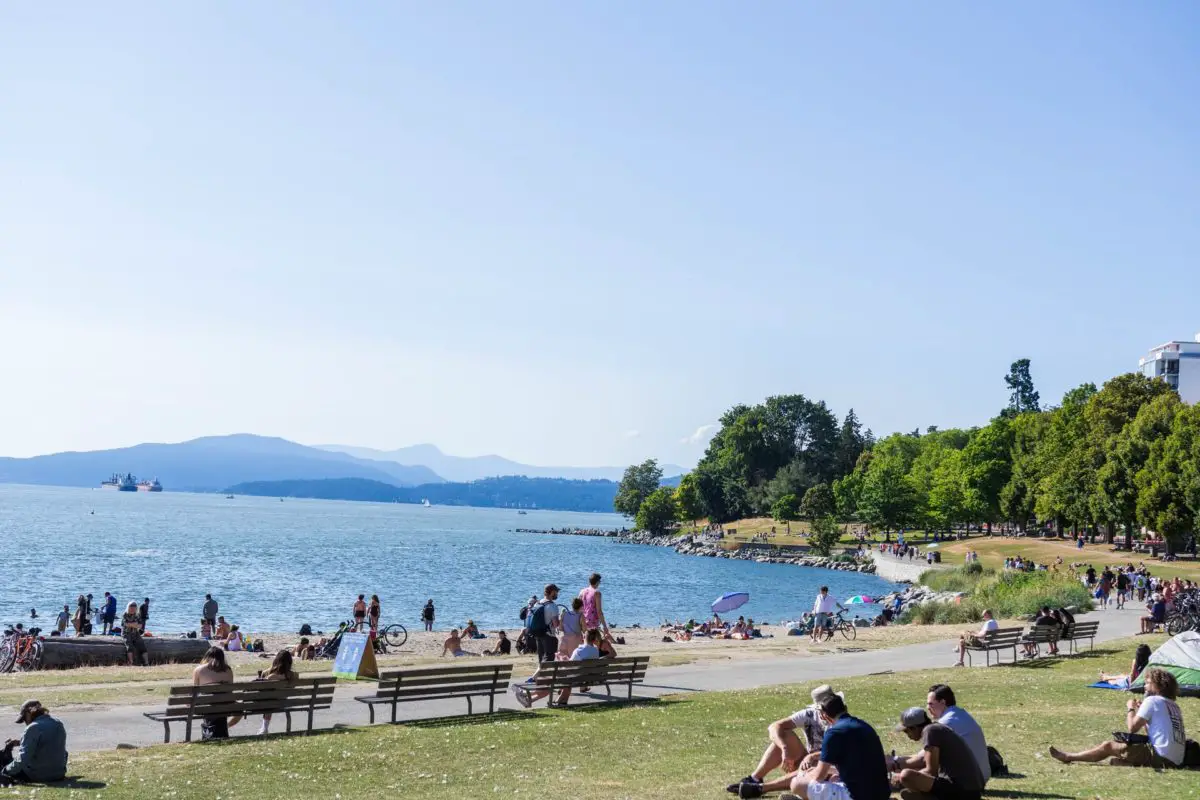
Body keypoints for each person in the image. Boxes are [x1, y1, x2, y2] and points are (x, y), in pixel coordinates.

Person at [1050, 668, 1187, 768]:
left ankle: (1067, 757)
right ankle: (1126, 763)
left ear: (1158, 685)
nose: (1145, 686)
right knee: (1117, 758)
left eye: (1148, 683)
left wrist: (1130, 708)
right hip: (1175, 759)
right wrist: (1141, 712)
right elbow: (1153, 733)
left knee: (1108, 746)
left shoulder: (1152, 701)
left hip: (1160, 756)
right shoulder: (1173, 705)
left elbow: (1132, 728)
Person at [726, 685, 843, 797]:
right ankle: (754, 779)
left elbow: (837, 753)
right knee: (783, 735)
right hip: (809, 762)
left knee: (818, 768)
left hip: (829, 767)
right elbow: (774, 727)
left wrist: (812, 757)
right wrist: (784, 749)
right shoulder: (810, 714)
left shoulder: (842, 722)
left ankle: (761, 788)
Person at [787, 694, 890, 800]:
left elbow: (819, 777)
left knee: (797, 784)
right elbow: (859, 767)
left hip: (856, 796)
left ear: (824, 716)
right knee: (834, 779)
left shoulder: (833, 733)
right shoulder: (865, 726)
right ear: (845, 708)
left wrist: (808, 774)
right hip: (882, 793)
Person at [890, 707, 985, 800]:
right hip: (971, 789)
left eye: (907, 731)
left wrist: (900, 778)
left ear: (914, 728)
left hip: (962, 790)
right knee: (910, 776)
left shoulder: (930, 731)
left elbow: (931, 771)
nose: (908, 735)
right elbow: (925, 762)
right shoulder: (937, 729)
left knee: (906, 775)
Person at [512, 628, 602, 708]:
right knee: (551, 682)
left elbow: (569, 666)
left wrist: (562, 659)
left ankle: (525, 695)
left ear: (584, 637)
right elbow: (575, 665)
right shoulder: (595, 651)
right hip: (584, 678)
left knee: (547, 681)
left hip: (572, 677)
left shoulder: (579, 650)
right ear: (594, 639)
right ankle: (528, 698)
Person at [926, 684, 990, 784]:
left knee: (918, 771)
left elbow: (924, 758)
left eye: (931, 704)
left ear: (943, 702)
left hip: (971, 781)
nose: (928, 708)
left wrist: (896, 762)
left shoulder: (945, 723)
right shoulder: (960, 714)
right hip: (981, 776)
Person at [0, 700, 67, 786]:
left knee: (6, 763)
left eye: (24, 719)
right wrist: (22, 742)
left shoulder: (32, 728)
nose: (25, 722)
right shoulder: (58, 723)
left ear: (29, 713)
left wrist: (5, 771)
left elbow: (23, 759)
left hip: (38, 775)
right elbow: (51, 745)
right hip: (59, 774)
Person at [192, 647, 235, 740]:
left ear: (207, 656)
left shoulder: (199, 670)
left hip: (206, 706)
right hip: (225, 705)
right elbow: (230, 691)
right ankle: (223, 730)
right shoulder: (228, 670)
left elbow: (195, 691)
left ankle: (209, 734)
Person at [253, 650, 298, 736]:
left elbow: (261, 688)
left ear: (276, 660)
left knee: (269, 699)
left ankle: (264, 728)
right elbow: (294, 676)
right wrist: (283, 676)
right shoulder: (293, 675)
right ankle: (264, 728)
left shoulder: (269, 674)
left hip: (269, 703)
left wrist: (272, 671)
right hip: (284, 702)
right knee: (271, 698)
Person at [527, 584, 562, 663]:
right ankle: (544, 674)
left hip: (538, 634)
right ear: (552, 592)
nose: (557, 594)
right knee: (549, 659)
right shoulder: (553, 606)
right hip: (549, 636)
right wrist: (562, 618)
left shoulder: (538, 603)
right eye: (556, 592)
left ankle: (541, 674)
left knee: (541, 658)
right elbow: (556, 624)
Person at [579, 573, 611, 641]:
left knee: (586, 641)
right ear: (597, 582)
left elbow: (578, 607)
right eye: (599, 581)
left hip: (582, 620)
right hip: (592, 622)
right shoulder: (597, 593)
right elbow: (599, 611)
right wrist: (605, 627)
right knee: (596, 643)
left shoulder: (582, 591)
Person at [121, 602, 148, 667]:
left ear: (136, 608)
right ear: (128, 608)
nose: (132, 609)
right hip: (126, 633)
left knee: (143, 647)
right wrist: (135, 624)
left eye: (134, 608)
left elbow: (140, 626)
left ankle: (146, 663)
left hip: (135, 633)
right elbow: (125, 624)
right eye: (131, 608)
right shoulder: (125, 614)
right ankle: (131, 663)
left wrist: (132, 624)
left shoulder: (137, 615)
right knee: (129, 647)